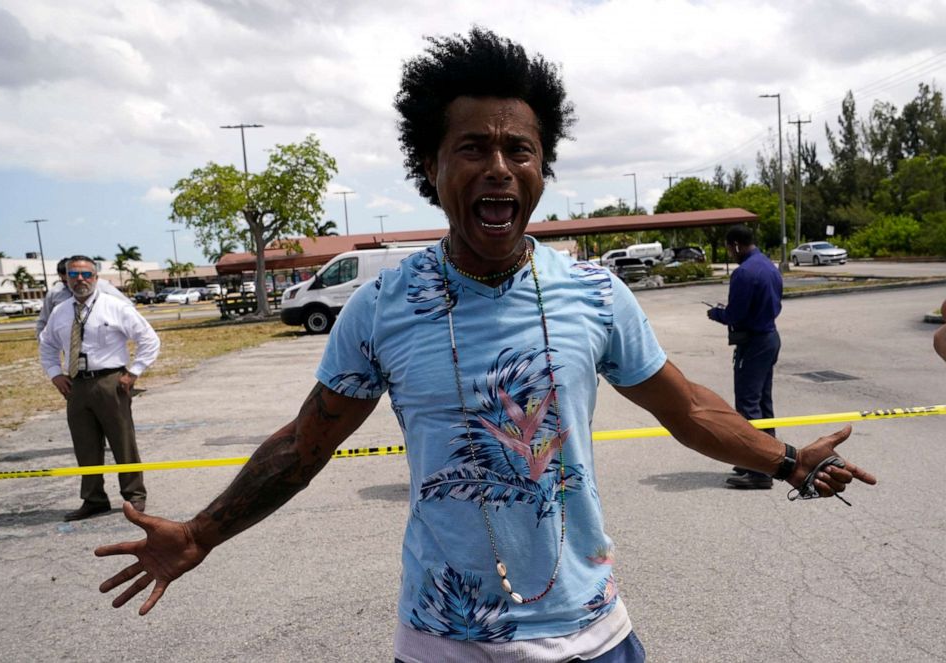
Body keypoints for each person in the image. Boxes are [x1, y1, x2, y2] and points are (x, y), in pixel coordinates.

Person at [95, 29, 875, 661]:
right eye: (472, 148)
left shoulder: (597, 295)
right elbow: (304, 445)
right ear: (431, 169)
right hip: (443, 638)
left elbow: (688, 409)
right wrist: (201, 531)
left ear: (541, 169)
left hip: (589, 631)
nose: (498, 167)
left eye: (519, 150)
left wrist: (783, 460)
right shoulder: (380, 308)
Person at [39, 256, 160, 521]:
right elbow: (46, 344)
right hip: (76, 386)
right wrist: (54, 374)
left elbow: (149, 340)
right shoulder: (60, 312)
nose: (80, 279)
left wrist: (133, 372)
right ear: (66, 278)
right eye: (74, 274)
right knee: (85, 445)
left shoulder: (114, 307)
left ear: (96, 277)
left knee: (122, 441)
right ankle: (93, 499)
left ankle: (134, 496)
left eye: (86, 274)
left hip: (111, 382)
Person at [706, 225, 784, 490]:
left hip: (752, 343)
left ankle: (758, 470)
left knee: (748, 404)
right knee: (763, 401)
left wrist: (716, 314)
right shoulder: (770, 267)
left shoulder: (744, 273)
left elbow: (735, 315)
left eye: (729, 248)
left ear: (736, 245)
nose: (730, 253)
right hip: (769, 338)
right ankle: (771, 459)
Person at [35, 257, 127, 337]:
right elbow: (43, 322)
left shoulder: (102, 286)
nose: (71, 284)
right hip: (70, 343)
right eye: (65, 281)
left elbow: (126, 306)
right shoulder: (54, 293)